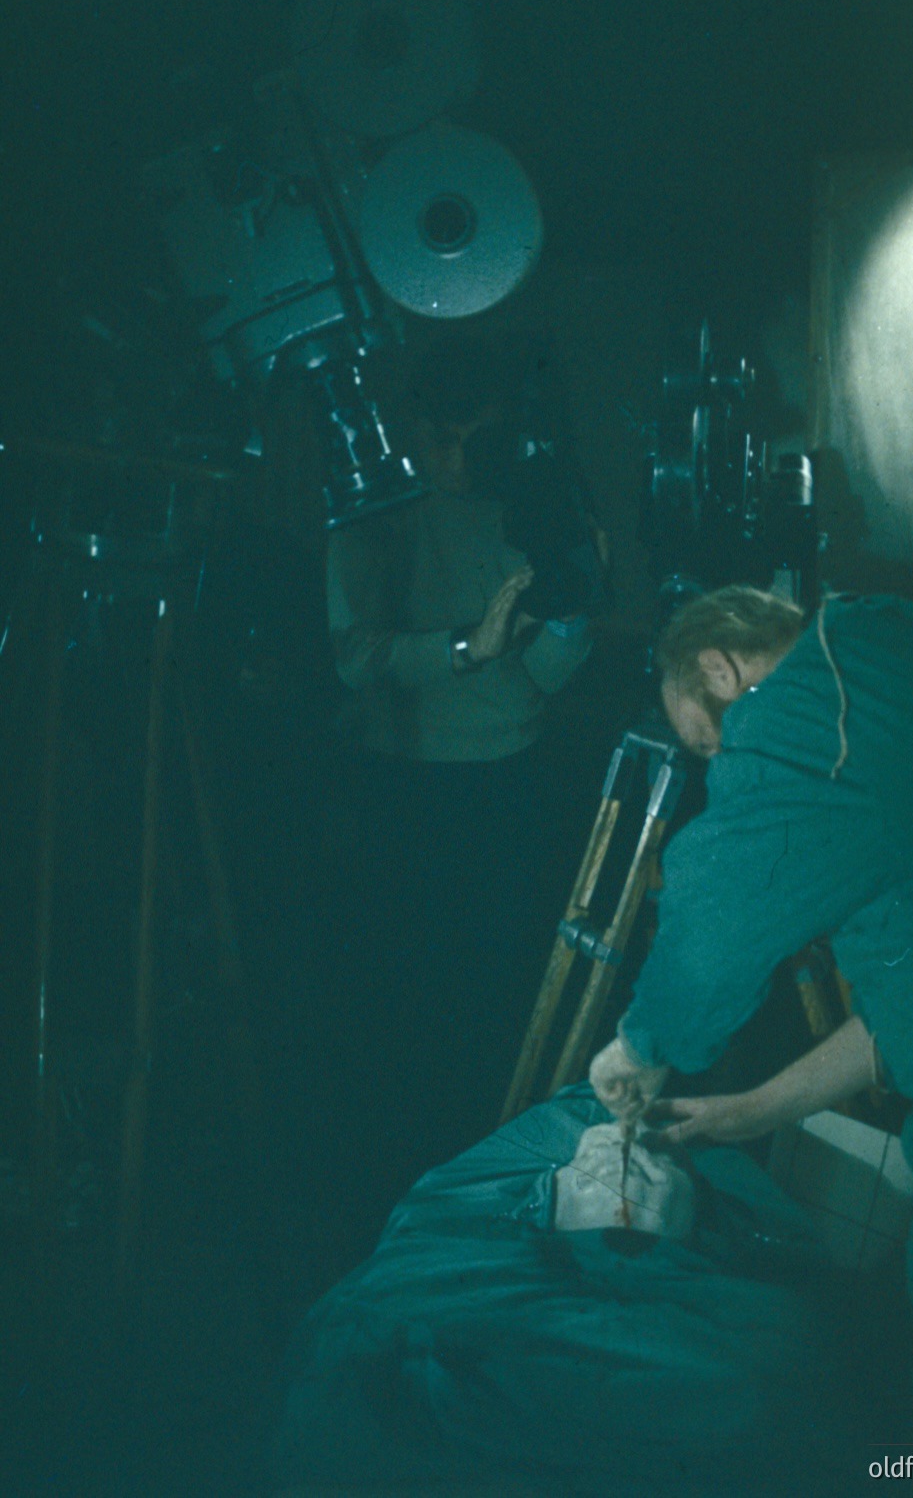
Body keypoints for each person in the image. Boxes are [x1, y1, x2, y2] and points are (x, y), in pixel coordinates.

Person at [589, 584, 913, 1447]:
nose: (721, 763)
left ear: (720, 667)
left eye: (709, 740)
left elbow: (716, 921)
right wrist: (751, 1109)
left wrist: (639, 1045)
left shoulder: (802, 710)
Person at [324, 336, 596, 1205]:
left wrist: (569, 612)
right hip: (400, 782)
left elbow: (544, 675)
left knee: (494, 999)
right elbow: (353, 656)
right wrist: (461, 648)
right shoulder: (372, 510)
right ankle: (387, 1188)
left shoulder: (523, 506)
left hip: (504, 781)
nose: (456, 462)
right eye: (441, 440)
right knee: (397, 999)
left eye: (476, 441)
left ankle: (481, 1187)